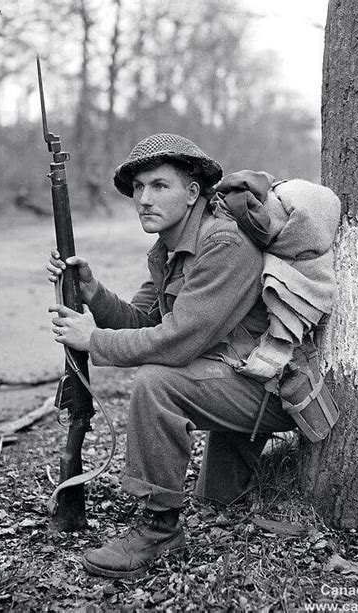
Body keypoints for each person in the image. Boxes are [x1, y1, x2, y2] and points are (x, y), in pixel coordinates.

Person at [47, 133, 296, 579]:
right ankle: (260, 476)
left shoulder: (223, 244)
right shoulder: (167, 248)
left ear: (193, 192)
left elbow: (176, 342)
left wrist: (94, 341)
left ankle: (160, 529)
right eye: (139, 188)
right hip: (232, 377)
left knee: (156, 381)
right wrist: (93, 293)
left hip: (274, 391)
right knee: (220, 501)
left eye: (159, 186)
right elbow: (144, 320)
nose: (144, 198)